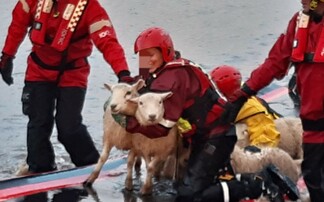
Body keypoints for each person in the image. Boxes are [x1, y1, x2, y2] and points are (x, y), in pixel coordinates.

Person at [124, 27, 299, 202]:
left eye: (150, 54)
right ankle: (243, 181)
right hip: (206, 136)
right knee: (186, 187)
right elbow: (144, 88)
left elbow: (161, 126)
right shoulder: (167, 72)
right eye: (142, 56)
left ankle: (255, 183)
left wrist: (127, 121)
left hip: (216, 136)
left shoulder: (174, 78)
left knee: (190, 196)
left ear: (166, 52)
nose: (146, 60)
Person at [0, 0, 134, 175]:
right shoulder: (31, 2)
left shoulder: (90, 7)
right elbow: (17, 25)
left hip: (72, 74)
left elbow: (108, 42)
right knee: (38, 124)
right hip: (38, 71)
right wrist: (7, 57)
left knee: (69, 128)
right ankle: (39, 169)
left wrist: (123, 73)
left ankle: (92, 166)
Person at [225, 0, 324, 201]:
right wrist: (244, 93)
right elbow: (275, 62)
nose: (301, 1)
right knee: (314, 178)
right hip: (313, 127)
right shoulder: (299, 23)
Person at [210, 65, 282, 148]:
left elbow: (266, 141)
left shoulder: (251, 109)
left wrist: (249, 154)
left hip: (277, 143)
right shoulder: (235, 104)